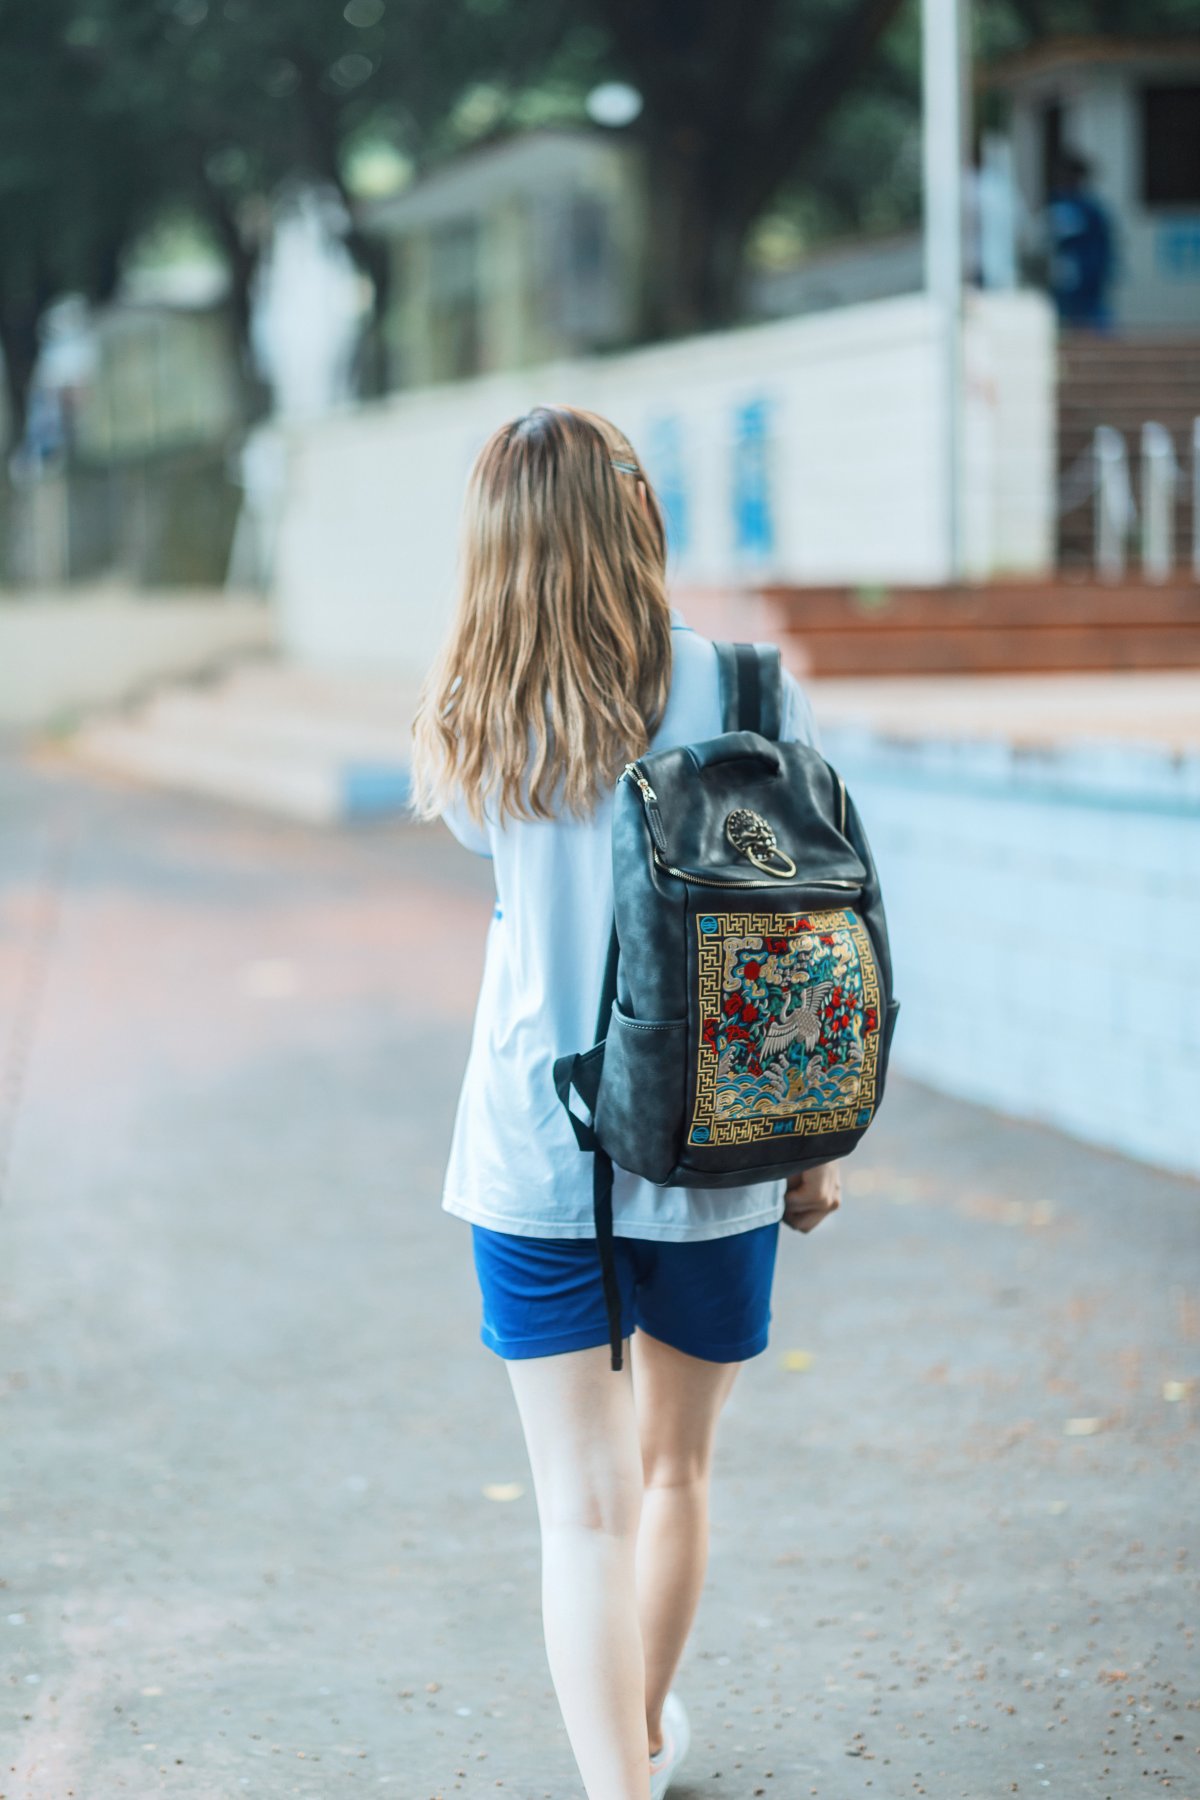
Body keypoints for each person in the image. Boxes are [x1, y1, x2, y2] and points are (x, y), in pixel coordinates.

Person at [408, 404, 843, 1800]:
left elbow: (497, 854)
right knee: (673, 1477)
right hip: (721, 1145)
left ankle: (622, 1784)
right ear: (641, 520)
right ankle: (645, 1731)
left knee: (577, 1511)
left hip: (538, 1148)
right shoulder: (749, 690)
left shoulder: (477, 706)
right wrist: (814, 1148)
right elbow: (815, 920)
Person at [1045, 151, 1115, 330]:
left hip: (1086, 273)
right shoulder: (1063, 203)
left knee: (1091, 317)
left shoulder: (1087, 207)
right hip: (1070, 274)